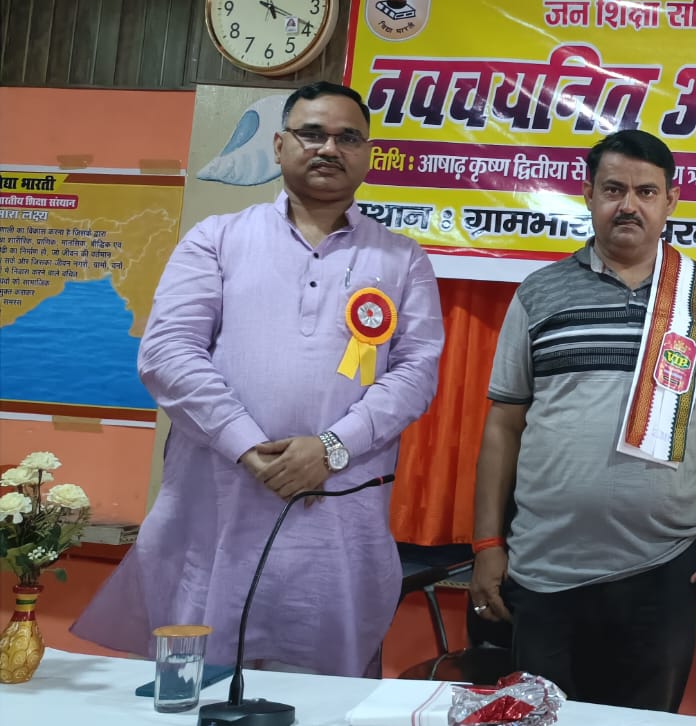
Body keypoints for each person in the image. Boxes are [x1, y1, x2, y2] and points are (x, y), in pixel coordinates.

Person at [72, 81, 444, 677]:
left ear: (368, 154)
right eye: (312, 133)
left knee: (322, 691)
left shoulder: (402, 258)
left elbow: (416, 371)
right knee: (198, 681)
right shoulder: (217, 238)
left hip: (334, 513)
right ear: (278, 145)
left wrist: (331, 447)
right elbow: (168, 353)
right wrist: (247, 447)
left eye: (348, 138)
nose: (330, 148)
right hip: (218, 504)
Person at [468, 129, 696, 713]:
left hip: (665, 567)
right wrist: (487, 543)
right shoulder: (539, 293)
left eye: (646, 192)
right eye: (614, 189)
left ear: (671, 200)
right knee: (542, 722)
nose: (629, 205)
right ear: (589, 194)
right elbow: (504, 424)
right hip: (546, 566)